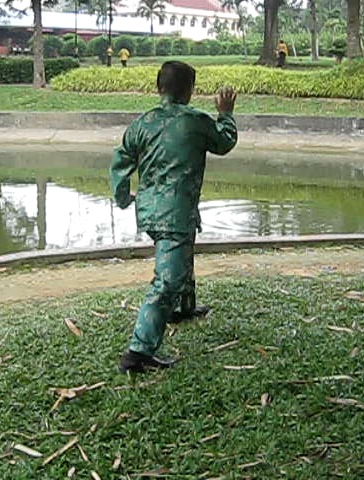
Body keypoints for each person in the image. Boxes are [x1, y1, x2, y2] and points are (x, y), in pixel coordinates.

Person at [110, 61, 238, 374]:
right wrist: (226, 113)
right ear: (189, 91)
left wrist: (124, 196)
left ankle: (184, 308)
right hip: (175, 213)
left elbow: (121, 161)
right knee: (167, 280)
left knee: (182, 257)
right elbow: (224, 142)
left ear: (159, 88)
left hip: (152, 209)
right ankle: (137, 353)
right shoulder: (196, 121)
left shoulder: (142, 123)